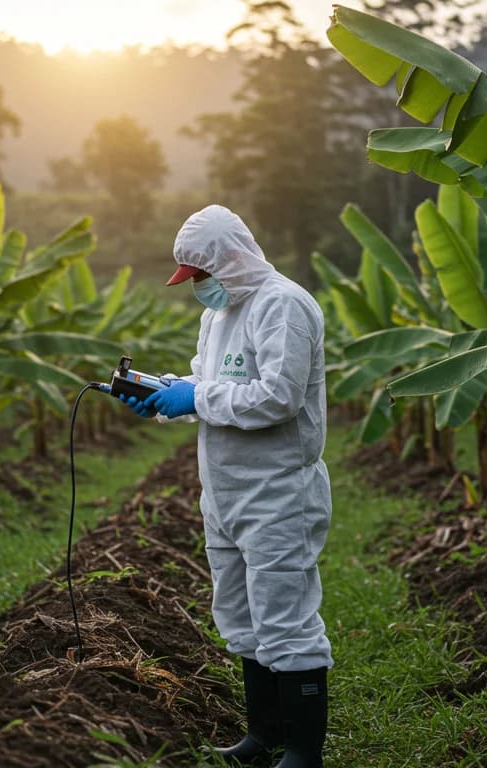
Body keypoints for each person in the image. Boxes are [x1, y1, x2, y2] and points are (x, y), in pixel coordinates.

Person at [109, 205, 332, 767]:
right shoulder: (219, 314)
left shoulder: (283, 306)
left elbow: (278, 397)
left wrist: (198, 398)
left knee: (285, 617)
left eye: (201, 276)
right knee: (241, 617)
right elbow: (211, 387)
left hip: (278, 491)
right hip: (225, 492)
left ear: (230, 259)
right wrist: (166, 392)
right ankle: (262, 738)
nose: (197, 289)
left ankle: (303, 752)